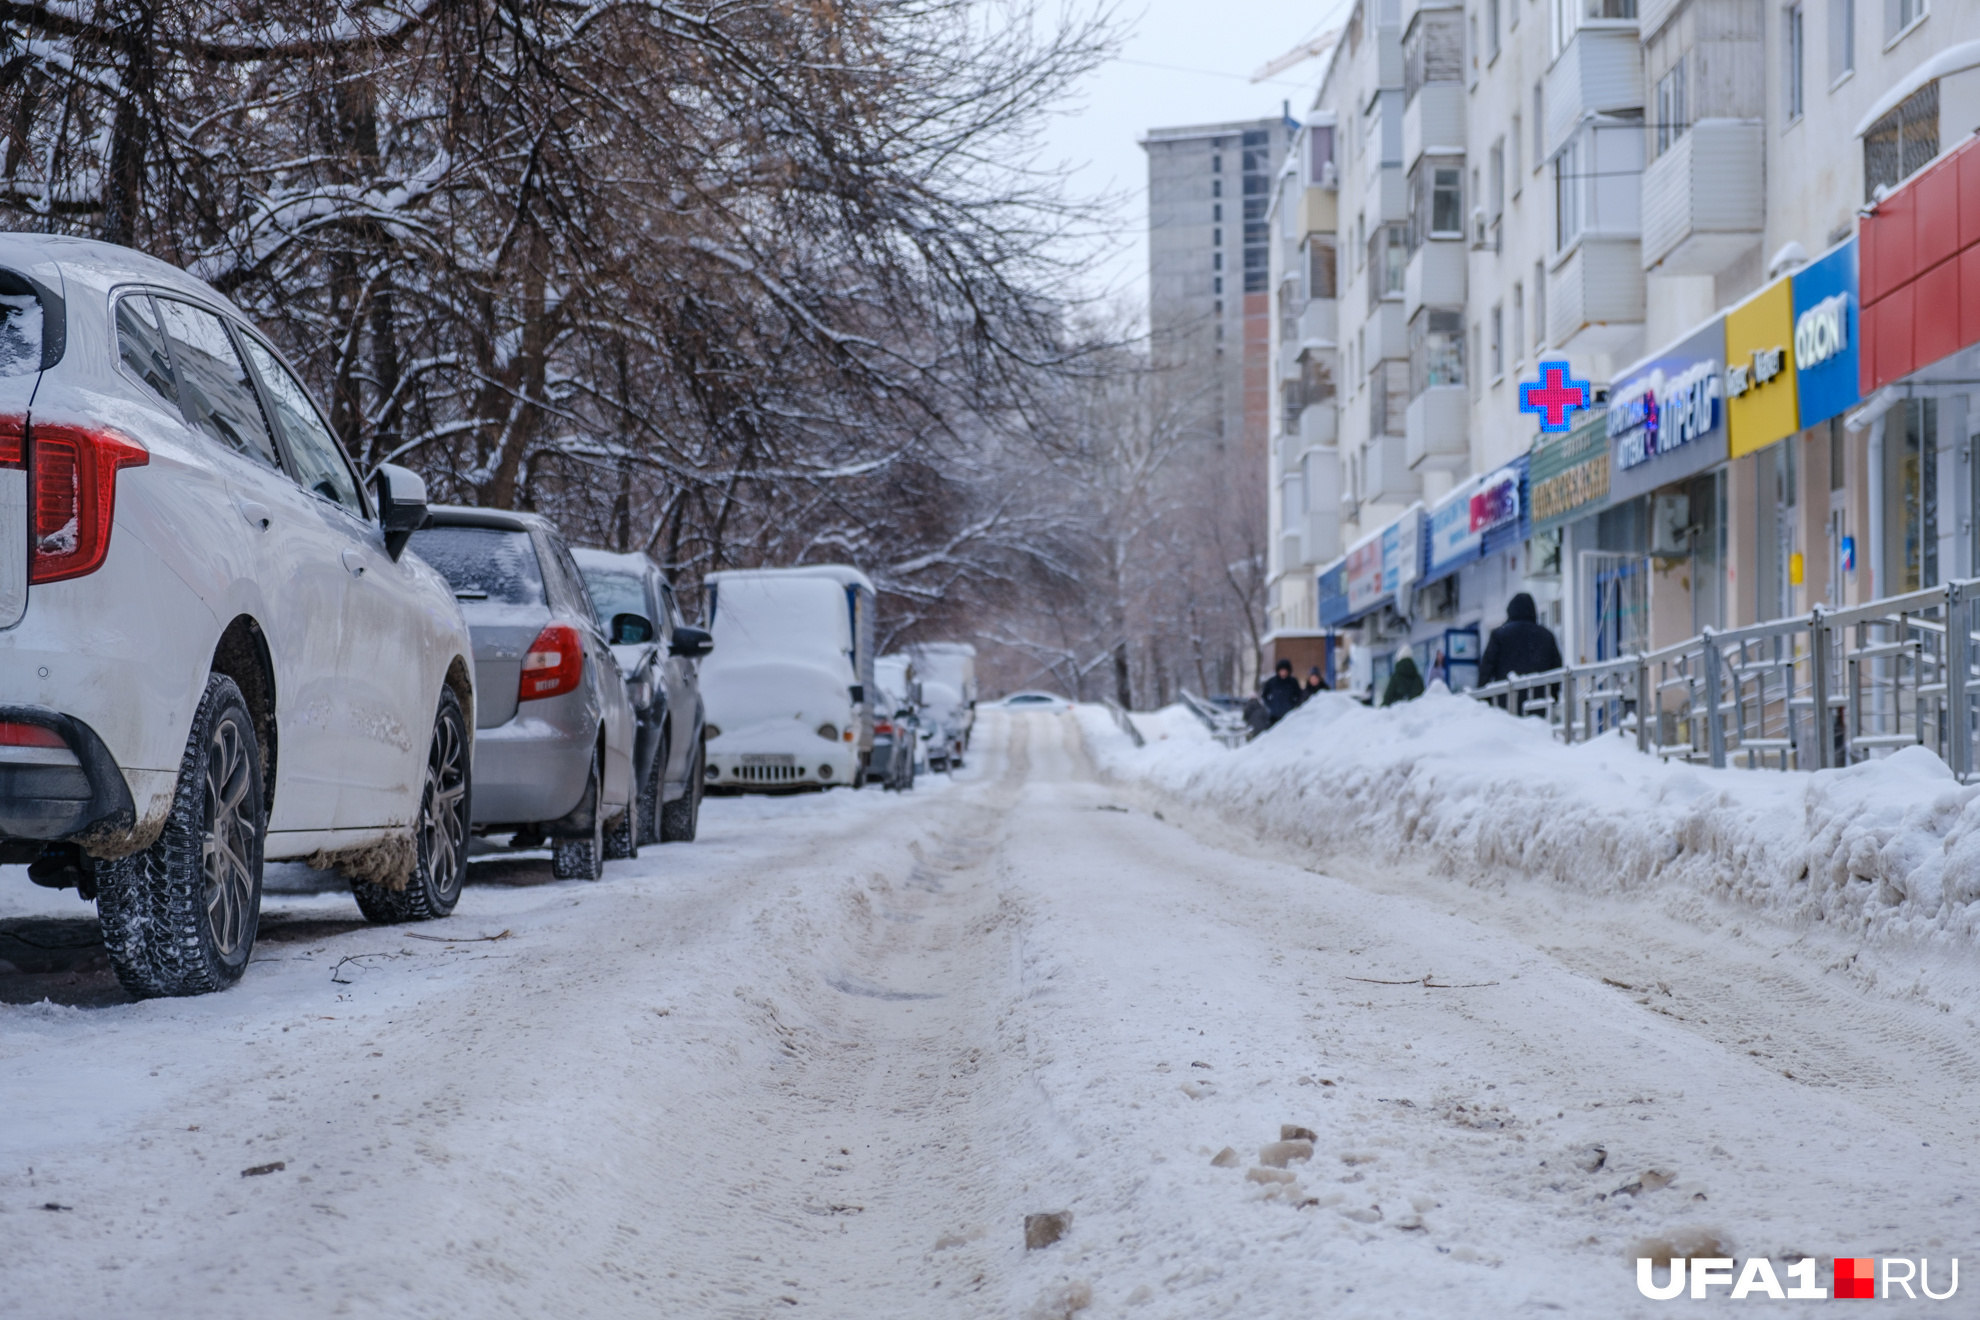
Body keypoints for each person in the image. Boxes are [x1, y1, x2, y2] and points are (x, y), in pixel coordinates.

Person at [1480, 592, 1563, 716]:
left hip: (1506, 703)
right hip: (1538, 702)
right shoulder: (1546, 636)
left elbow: (1486, 670)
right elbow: (1556, 669)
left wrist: (1483, 699)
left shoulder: (1500, 634)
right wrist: (1553, 695)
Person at [1260, 659, 1303, 726]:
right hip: (1274, 716)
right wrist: (1271, 705)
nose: (1284, 672)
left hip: (1289, 716)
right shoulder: (1272, 682)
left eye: (1286, 670)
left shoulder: (1293, 682)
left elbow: (1299, 695)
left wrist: (1293, 705)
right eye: (1282, 670)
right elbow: (1264, 695)